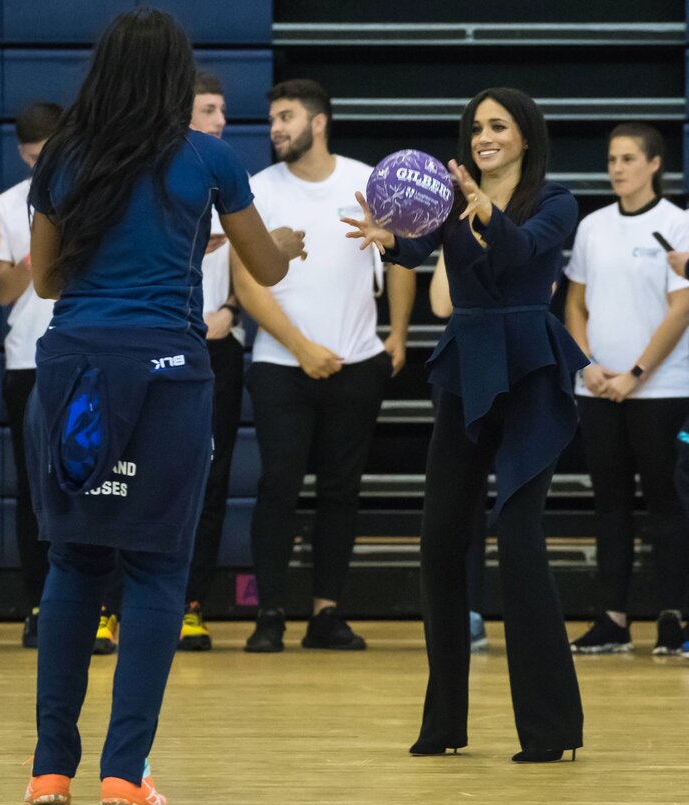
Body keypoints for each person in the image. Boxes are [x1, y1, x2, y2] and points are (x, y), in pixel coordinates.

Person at [22, 8, 304, 805]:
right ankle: (124, 770)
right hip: (170, 375)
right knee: (154, 567)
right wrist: (280, 245)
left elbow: (46, 282)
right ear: (179, 79)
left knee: (74, 559)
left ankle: (49, 770)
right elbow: (269, 272)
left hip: (75, 369)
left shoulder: (66, 157)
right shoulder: (209, 158)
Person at [344, 87, 586, 762]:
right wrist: (390, 241)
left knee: (519, 538)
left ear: (526, 136)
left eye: (498, 126)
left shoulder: (557, 200)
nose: (484, 136)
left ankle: (551, 729)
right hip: (466, 367)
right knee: (440, 540)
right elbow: (417, 254)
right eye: (476, 126)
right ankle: (445, 722)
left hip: (531, 368)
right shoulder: (452, 200)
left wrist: (487, 215)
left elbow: (522, 253)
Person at [233, 79, 416, 653]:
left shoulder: (368, 181)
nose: (275, 129)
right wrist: (301, 347)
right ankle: (269, 614)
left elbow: (403, 253)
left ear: (318, 122)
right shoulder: (257, 190)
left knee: (341, 491)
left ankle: (326, 614)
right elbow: (246, 283)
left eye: (285, 116)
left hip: (357, 362)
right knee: (278, 487)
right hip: (280, 366)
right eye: (270, 120)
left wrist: (400, 332)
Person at [565, 123, 689, 656]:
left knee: (667, 504)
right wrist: (589, 365)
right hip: (596, 389)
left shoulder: (678, 226)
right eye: (612, 158)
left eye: (629, 158)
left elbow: (682, 308)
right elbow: (574, 304)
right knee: (610, 504)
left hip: (659, 390)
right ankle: (612, 620)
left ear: (655, 164)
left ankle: (674, 617)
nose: (617, 168)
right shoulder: (592, 226)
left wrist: (636, 374)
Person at [0, 102, 63, 648]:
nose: (40, 166)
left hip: (87, 356)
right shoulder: (10, 205)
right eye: (32, 159)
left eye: (47, 156)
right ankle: (39, 605)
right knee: (35, 492)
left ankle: (99, 607)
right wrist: (38, 249)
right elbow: (4, 292)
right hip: (27, 360)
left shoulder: (95, 196)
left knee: (99, 483)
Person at [178, 71, 246, 651]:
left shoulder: (230, 174)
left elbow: (257, 268)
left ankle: (191, 604)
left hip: (218, 346)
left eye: (223, 109)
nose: (221, 120)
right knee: (135, 475)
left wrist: (230, 309)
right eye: (209, 109)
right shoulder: (155, 178)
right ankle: (112, 605)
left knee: (211, 476)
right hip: (158, 344)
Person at [429, 252, 488, 652]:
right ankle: (466, 611)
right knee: (463, 497)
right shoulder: (457, 232)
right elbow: (439, 304)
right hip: (465, 369)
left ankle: (522, 613)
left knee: (520, 508)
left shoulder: (537, 218)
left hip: (521, 365)